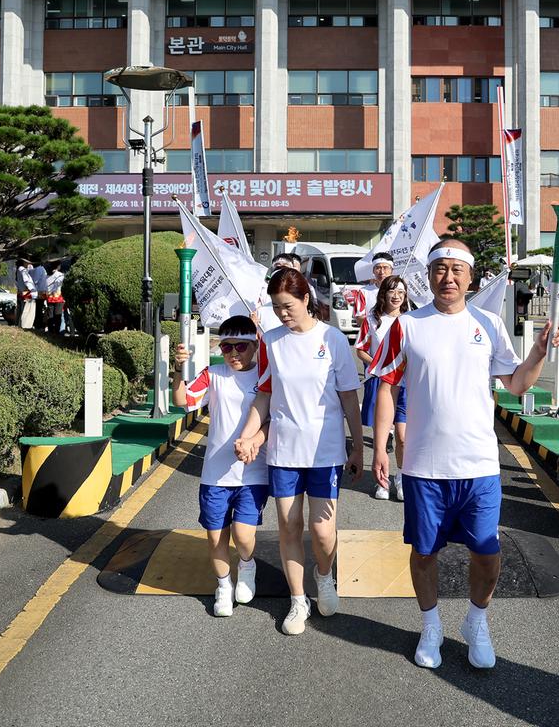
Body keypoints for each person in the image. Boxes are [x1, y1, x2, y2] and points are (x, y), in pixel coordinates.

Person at [368, 238, 559, 670]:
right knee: (424, 552)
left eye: (457, 269)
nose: (448, 277)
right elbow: (386, 385)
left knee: (487, 552)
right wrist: (379, 448)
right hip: (422, 464)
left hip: (478, 465)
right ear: (429, 274)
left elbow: (516, 384)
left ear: (470, 276)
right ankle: (431, 625)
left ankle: (476, 621)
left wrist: (540, 352)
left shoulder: (488, 324)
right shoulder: (408, 325)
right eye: (441, 268)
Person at [234, 267, 363, 636]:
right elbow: (264, 395)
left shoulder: (334, 339)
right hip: (285, 451)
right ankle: (297, 600)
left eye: (288, 306)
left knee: (322, 531)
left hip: (325, 452)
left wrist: (358, 447)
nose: (283, 313)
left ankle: (324, 577)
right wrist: (247, 436)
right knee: (290, 527)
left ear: (307, 299)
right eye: (276, 307)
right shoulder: (271, 342)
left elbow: (349, 399)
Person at [171, 316, 268, 618]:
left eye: (241, 346)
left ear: (254, 346)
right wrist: (177, 370)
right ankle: (223, 586)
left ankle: (248, 566)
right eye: (227, 347)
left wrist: (254, 440)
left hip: (253, 472)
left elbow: (272, 419)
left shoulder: (266, 379)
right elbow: (183, 401)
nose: (234, 354)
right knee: (216, 536)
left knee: (243, 534)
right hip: (215, 474)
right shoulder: (213, 375)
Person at [355, 275, 411, 501]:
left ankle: (401, 476)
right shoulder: (372, 319)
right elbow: (360, 349)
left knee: (402, 436)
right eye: (392, 291)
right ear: (383, 294)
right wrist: (379, 366)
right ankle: (382, 480)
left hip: (406, 385)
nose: (396, 296)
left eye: (401, 291)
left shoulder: (411, 320)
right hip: (380, 382)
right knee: (382, 437)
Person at [352, 252, 394, 327]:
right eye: (378, 268)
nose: (382, 272)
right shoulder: (364, 292)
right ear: (373, 270)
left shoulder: (399, 291)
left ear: (391, 270)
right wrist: (378, 322)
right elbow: (359, 319)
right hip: (372, 335)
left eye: (385, 267)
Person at [15, 259, 37, 330]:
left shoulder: (19, 269)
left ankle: (21, 325)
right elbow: (27, 280)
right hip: (26, 291)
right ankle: (24, 325)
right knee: (26, 310)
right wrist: (31, 289)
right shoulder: (22, 269)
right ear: (24, 262)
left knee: (23, 309)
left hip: (22, 291)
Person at [45, 262, 66, 333]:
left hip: (49, 297)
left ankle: (50, 331)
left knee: (50, 315)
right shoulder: (60, 275)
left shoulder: (47, 275)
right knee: (58, 316)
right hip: (58, 298)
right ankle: (57, 332)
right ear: (58, 266)